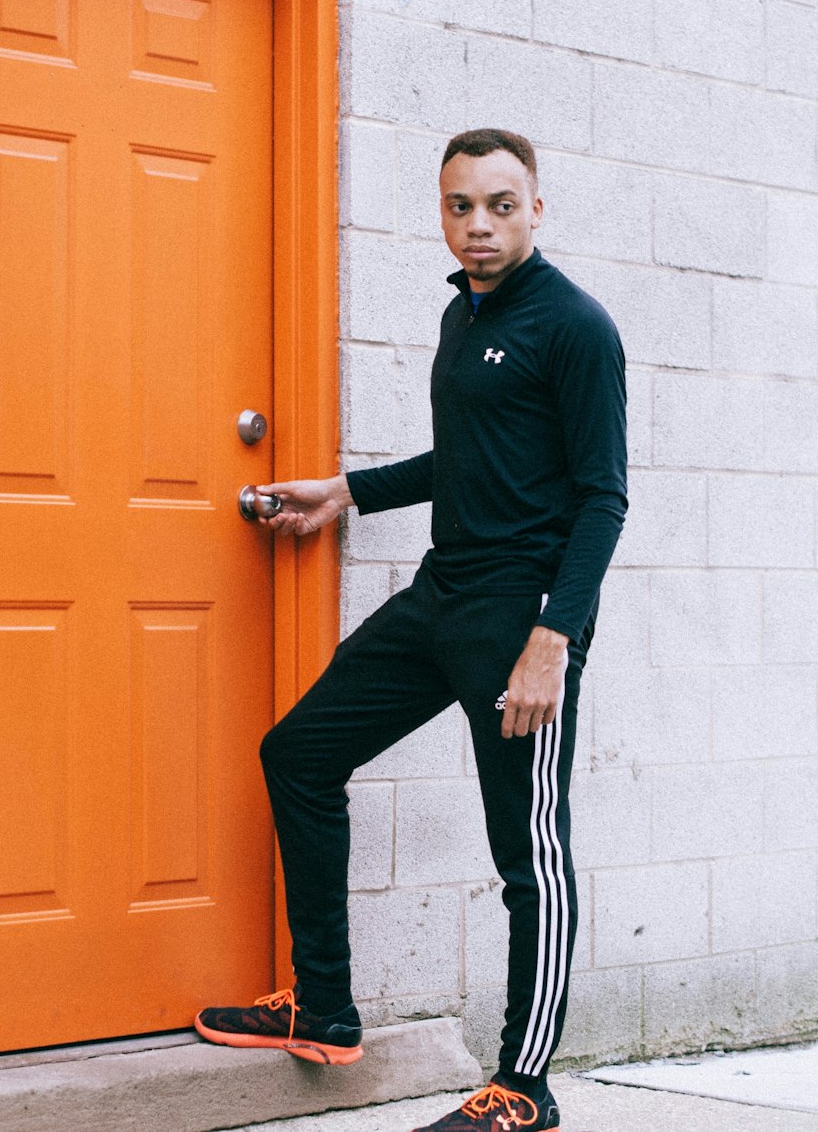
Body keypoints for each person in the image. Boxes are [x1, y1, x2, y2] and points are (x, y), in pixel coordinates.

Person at [194, 128, 627, 1132]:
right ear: (441, 210)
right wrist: (345, 491)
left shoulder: (573, 326)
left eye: (500, 205)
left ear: (536, 209)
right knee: (298, 753)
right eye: (459, 205)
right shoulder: (460, 313)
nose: (478, 224)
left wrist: (551, 642)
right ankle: (326, 1004)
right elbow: (468, 456)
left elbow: (602, 498)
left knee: (531, 858)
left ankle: (524, 1089)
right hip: (440, 599)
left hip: (519, 620)